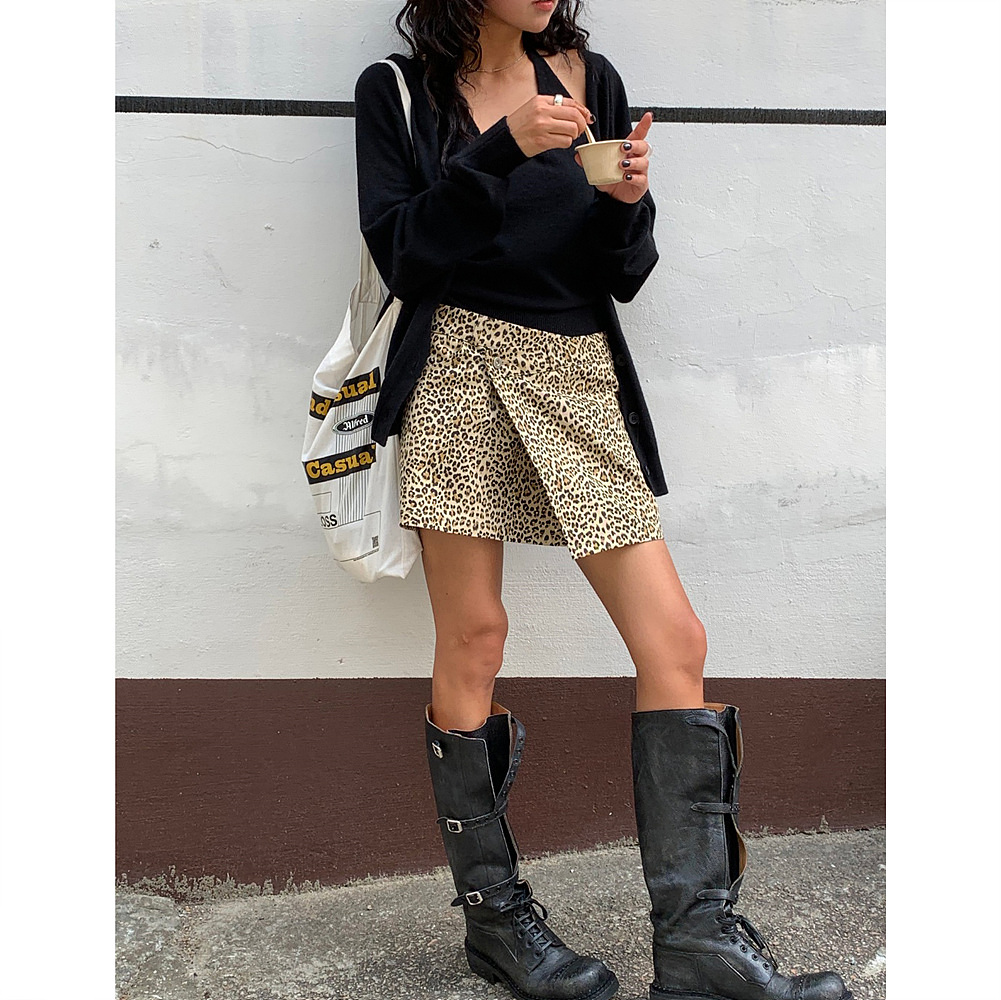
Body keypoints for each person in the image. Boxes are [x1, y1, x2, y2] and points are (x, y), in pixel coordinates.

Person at [353, 3, 853, 999]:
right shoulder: (398, 92)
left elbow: (619, 274)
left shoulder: (591, 79)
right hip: (457, 368)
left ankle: (697, 941)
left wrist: (626, 202)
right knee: (474, 637)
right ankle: (496, 922)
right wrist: (499, 150)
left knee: (673, 638)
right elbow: (402, 254)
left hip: (575, 371)